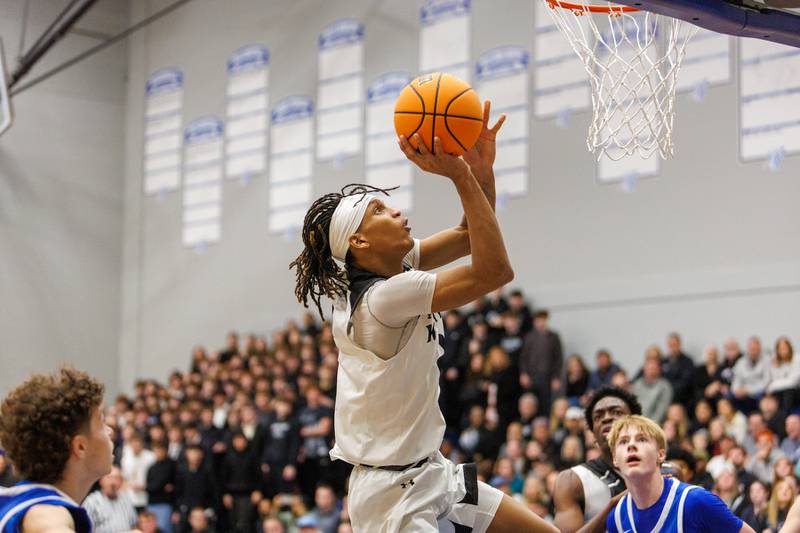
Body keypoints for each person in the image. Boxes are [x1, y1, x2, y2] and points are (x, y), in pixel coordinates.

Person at [289, 101, 556, 533]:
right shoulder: (383, 298)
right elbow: (496, 271)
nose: (394, 209)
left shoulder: (394, 267)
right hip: (390, 494)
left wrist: (479, 168)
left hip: (433, 472)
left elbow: (471, 234)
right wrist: (459, 176)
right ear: (358, 241)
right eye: (378, 211)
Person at [0, 368, 115, 533]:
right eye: (102, 422)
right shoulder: (45, 511)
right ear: (80, 447)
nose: (110, 431)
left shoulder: (20, 499)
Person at [605, 415, 755, 533]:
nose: (631, 445)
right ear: (614, 459)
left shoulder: (696, 501)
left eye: (641, 439)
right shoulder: (616, 519)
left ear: (661, 454)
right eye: (623, 442)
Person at [553, 386, 643, 533]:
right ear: (593, 435)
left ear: (638, 423)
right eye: (598, 417)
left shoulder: (668, 473)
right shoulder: (572, 480)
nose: (606, 418)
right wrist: (613, 508)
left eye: (616, 412)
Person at [83, 466, 139, 533]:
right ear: (101, 481)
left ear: (121, 482)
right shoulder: (92, 502)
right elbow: (83, 529)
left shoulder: (126, 500)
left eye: (116, 478)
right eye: (109, 478)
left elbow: (134, 524)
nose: (113, 482)